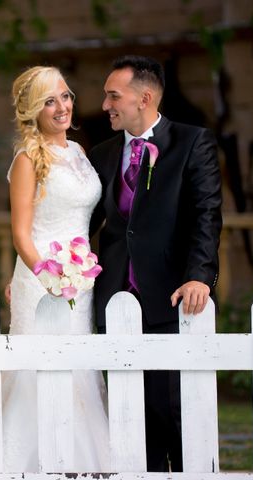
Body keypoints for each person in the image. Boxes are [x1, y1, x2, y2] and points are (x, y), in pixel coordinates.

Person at [89, 55, 222, 472]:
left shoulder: (192, 142)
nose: (106, 104)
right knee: (130, 416)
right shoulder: (102, 153)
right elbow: (84, 224)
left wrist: (199, 275)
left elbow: (207, 213)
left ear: (143, 98)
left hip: (170, 297)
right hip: (114, 301)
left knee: (174, 412)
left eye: (114, 96)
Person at [3, 66, 109, 472]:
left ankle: (80, 463)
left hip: (81, 281)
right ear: (33, 111)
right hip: (44, 284)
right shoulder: (29, 158)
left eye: (64, 96)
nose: (61, 106)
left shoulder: (79, 152)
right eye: (49, 101)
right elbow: (21, 234)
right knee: (39, 372)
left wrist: (75, 278)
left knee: (77, 370)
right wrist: (50, 280)